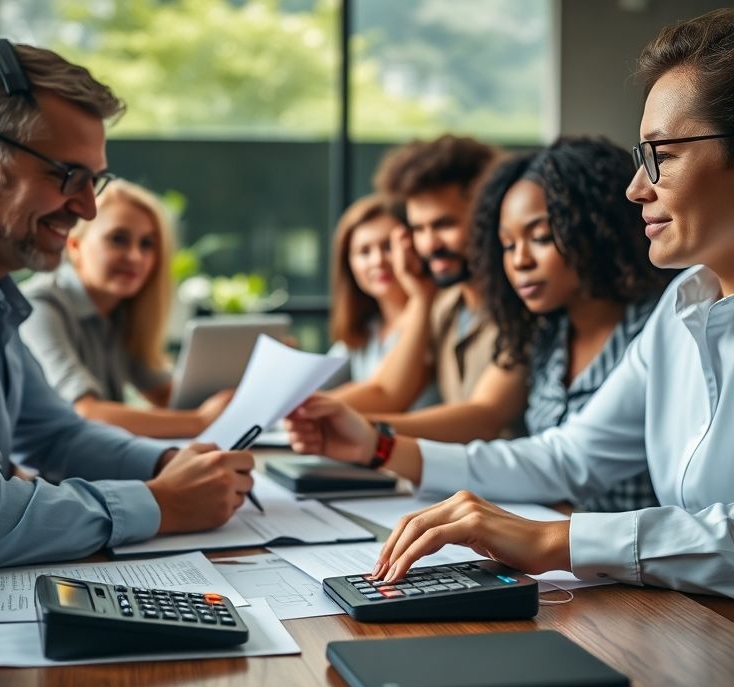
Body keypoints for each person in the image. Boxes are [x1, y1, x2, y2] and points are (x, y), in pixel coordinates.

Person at [285, 9, 734, 598]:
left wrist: (556, 540)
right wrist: (380, 445)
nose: (636, 188)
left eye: (663, 156)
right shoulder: (683, 305)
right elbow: (567, 457)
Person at [0, 38, 253, 570]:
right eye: (66, 175)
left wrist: (170, 463)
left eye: (94, 181)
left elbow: (55, 434)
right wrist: (162, 502)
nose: (88, 208)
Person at [356, 137, 671, 515]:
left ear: (594, 227)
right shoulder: (547, 332)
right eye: (507, 245)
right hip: (551, 536)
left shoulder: (660, 327)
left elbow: (490, 418)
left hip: (624, 546)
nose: (520, 260)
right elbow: (549, 464)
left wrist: (373, 438)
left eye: (540, 238)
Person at [19, 179, 231, 438]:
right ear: (75, 246)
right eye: (118, 239)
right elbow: (85, 412)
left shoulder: (119, 311)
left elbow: (167, 395)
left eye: (147, 244)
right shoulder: (39, 306)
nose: (135, 257)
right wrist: (199, 421)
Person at [332, 135, 499, 413]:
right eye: (419, 229)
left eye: (444, 224)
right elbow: (388, 392)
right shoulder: (443, 307)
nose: (429, 244)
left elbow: (485, 416)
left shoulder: (517, 309)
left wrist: (371, 432)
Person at [324, 193, 440, 410]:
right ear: (349, 265)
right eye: (364, 252)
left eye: (388, 247)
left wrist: (301, 408)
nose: (377, 261)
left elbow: (382, 395)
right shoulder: (367, 330)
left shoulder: (433, 319)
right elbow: (318, 387)